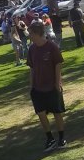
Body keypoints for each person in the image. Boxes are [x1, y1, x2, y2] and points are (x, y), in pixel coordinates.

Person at [26, 20, 66, 150]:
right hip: (37, 88)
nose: (29, 35)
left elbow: (58, 65)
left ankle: (61, 138)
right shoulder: (31, 49)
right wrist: (31, 86)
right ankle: (50, 138)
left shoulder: (52, 47)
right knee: (41, 113)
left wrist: (57, 83)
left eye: (30, 33)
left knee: (57, 112)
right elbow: (31, 68)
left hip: (51, 87)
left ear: (37, 33)